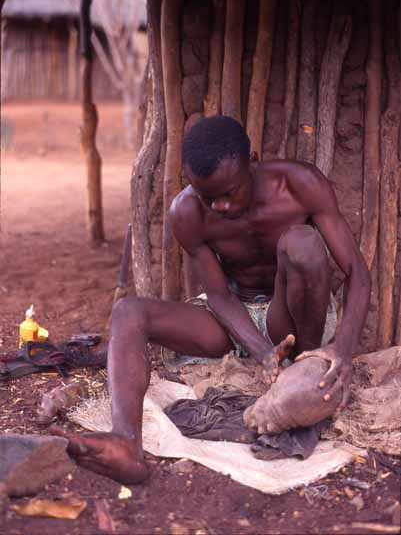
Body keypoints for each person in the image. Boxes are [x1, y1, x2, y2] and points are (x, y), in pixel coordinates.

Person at [56, 115, 371, 484]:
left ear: (252, 162)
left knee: (301, 243)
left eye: (229, 192)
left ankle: (307, 370)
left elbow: (357, 273)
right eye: (208, 197)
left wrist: (343, 350)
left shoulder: (300, 184)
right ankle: (126, 441)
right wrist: (260, 352)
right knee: (128, 311)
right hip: (233, 315)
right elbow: (220, 296)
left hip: (289, 317)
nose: (219, 207)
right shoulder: (186, 212)